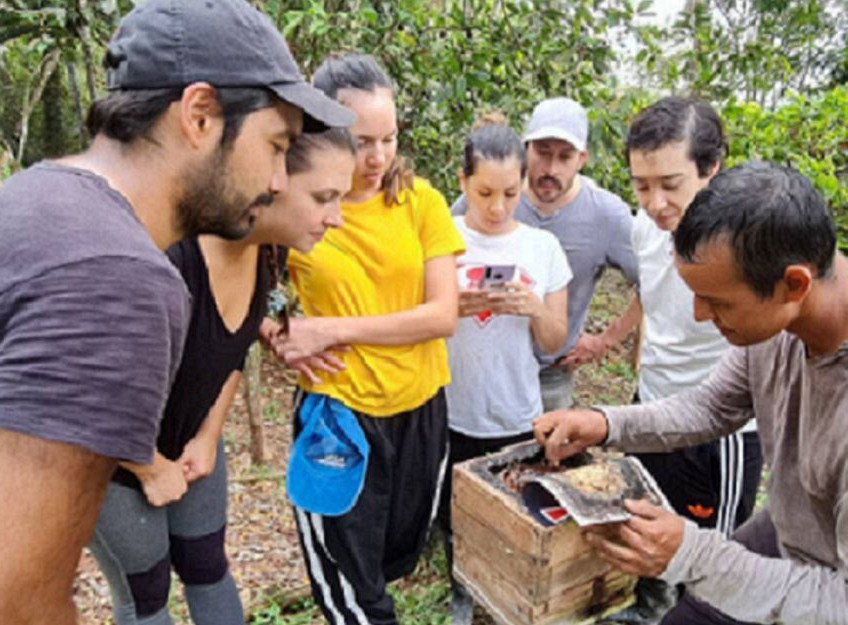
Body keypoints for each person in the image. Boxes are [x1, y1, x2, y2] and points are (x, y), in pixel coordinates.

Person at [0, 1, 353, 623]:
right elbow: (5, 610)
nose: (281, 180)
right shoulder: (113, 274)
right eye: (277, 145)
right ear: (200, 115)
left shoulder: (49, 199)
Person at [534, 162, 848, 624]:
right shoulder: (806, 302)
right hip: (798, 534)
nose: (699, 314)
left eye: (718, 302)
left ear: (795, 284)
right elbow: (715, 405)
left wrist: (693, 553)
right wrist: (607, 423)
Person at [88, 129, 356, 625]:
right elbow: (86, 391)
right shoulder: (167, 259)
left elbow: (230, 352)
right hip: (111, 459)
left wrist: (209, 437)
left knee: (206, 566)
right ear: (271, 179)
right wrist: (149, 466)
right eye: (323, 198)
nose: (336, 217)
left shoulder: (269, 253)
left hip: (189, 442)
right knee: (144, 594)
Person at [272, 53, 465, 625]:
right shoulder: (291, 205)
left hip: (420, 412)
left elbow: (441, 315)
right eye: (361, 142)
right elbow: (234, 283)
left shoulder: (419, 202)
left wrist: (333, 328)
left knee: (394, 558)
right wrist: (276, 332)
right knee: (353, 588)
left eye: (389, 138)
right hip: (341, 417)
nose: (378, 157)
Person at [590, 97, 762, 541]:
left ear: (712, 168)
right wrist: (613, 339)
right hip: (650, 402)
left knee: (712, 547)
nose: (655, 202)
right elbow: (650, 292)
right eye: (641, 186)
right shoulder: (645, 226)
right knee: (641, 517)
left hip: (719, 429)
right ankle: (648, 607)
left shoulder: (748, 241)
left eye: (670, 183)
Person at [441, 113, 572, 624]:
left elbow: (555, 338)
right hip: (450, 409)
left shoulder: (542, 248)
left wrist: (534, 307)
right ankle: (464, 590)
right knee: (455, 513)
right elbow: (413, 320)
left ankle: (511, 595)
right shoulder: (440, 239)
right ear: (463, 183)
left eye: (510, 194)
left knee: (516, 510)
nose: (497, 208)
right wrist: (451, 306)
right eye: (484, 193)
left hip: (516, 408)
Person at [452, 97, 638, 411]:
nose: (551, 169)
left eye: (564, 157)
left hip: (552, 372)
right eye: (542, 153)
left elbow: (653, 280)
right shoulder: (485, 197)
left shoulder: (607, 215)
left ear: (582, 159)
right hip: (478, 374)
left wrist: (605, 340)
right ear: (525, 149)